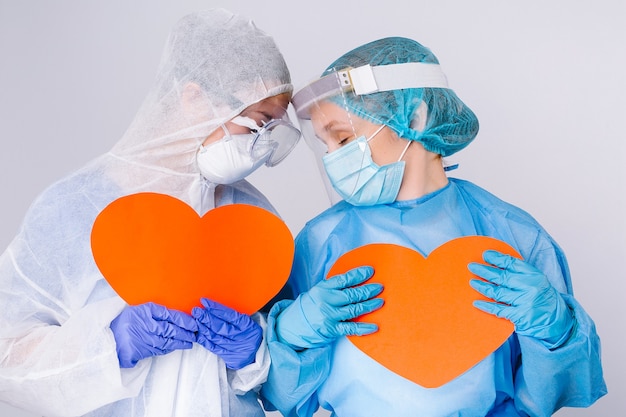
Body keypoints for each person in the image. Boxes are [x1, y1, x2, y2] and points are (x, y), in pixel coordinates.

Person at [260, 37, 607, 416]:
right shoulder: (320, 240)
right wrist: (290, 338)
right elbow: (280, 395)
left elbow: (557, 388)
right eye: (326, 143)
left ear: (413, 119)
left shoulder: (511, 233)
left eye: (343, 137)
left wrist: (555, 328)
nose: (333, 157)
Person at [0, 9, 300, 417]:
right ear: (194, 98)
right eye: (258, 124)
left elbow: (291, 380)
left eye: (274, 130)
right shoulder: (75, 209)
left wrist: (257, 354)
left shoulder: (253, 217)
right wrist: (109, 345)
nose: (261, 148)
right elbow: (7, 357)